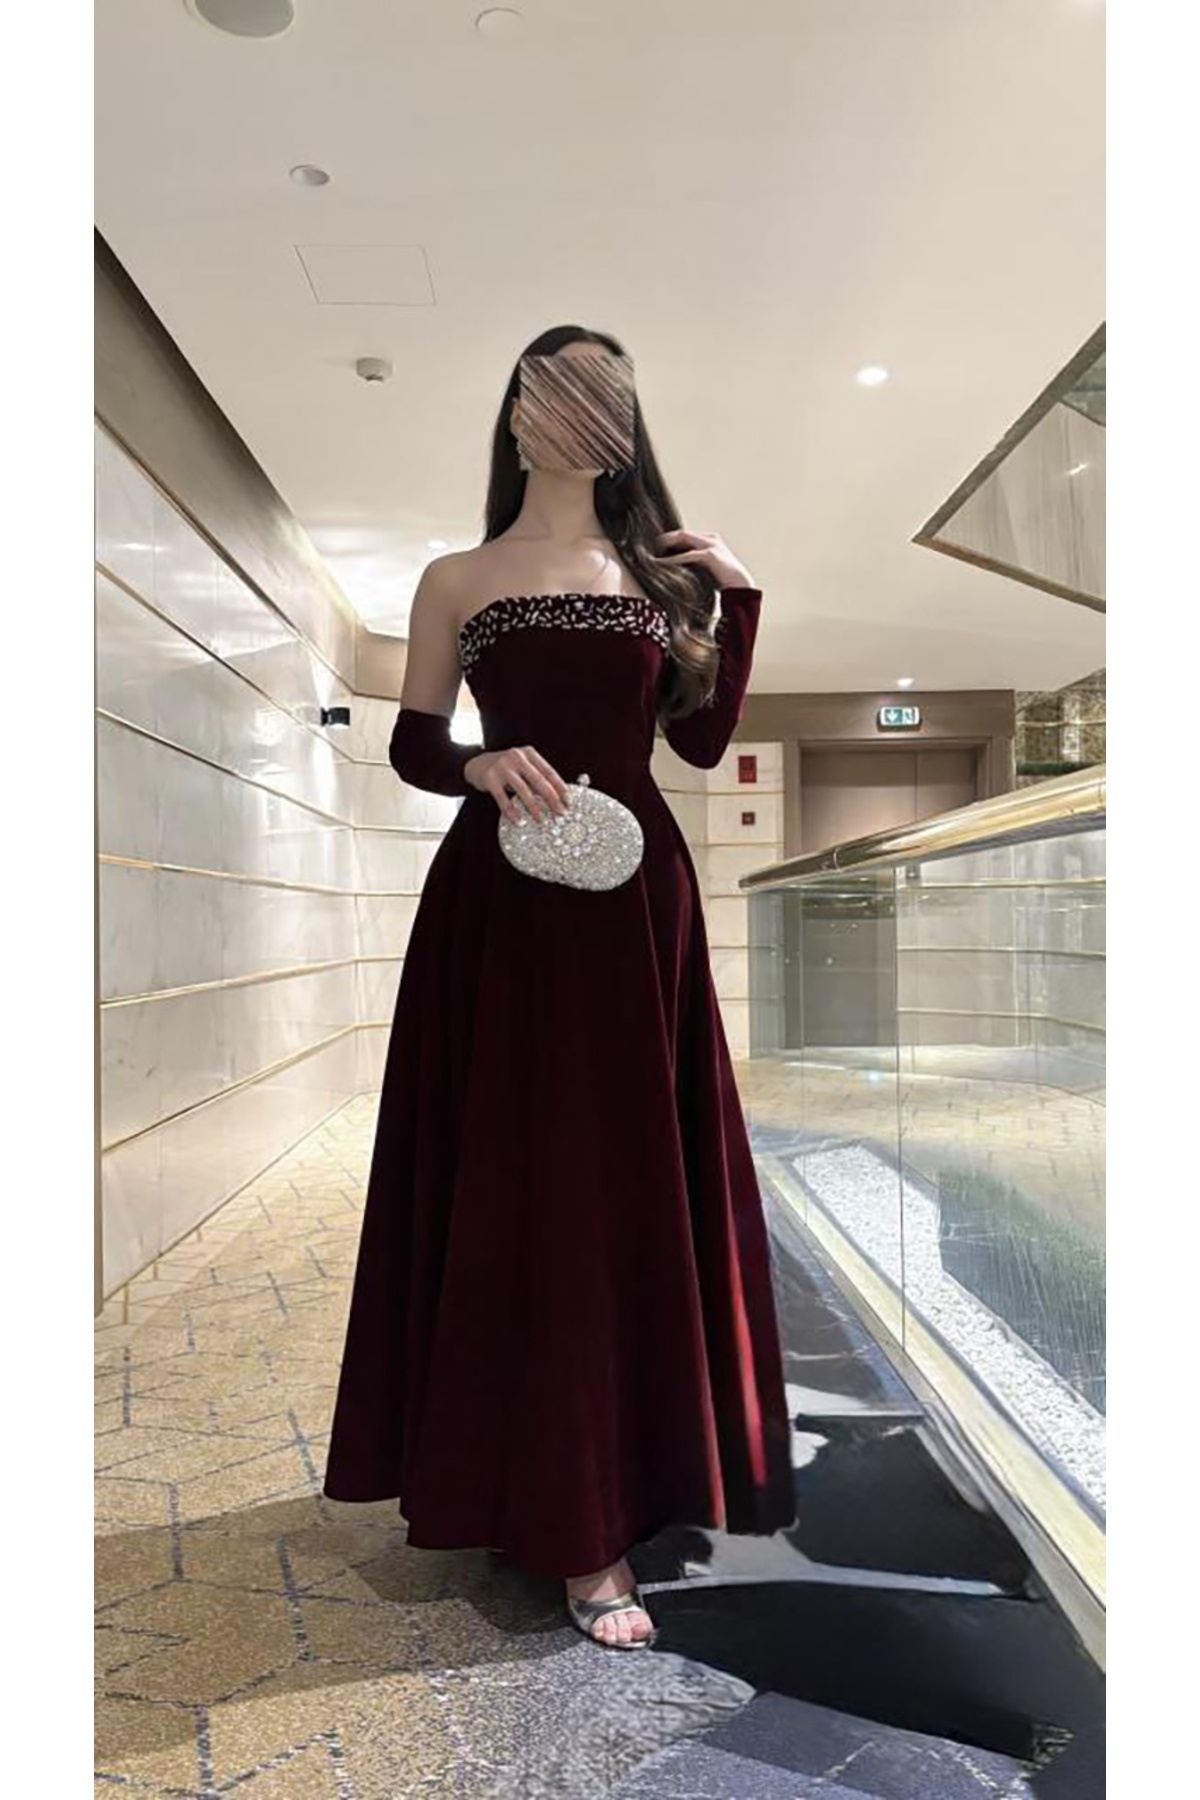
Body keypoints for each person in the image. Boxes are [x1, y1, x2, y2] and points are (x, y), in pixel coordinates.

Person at [322, 324, 796, 1650]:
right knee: (522, 1178)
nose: (581, 408)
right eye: (556, 384)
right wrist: (478, 764)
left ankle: (615, 1498)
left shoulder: (658, 578)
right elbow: (417, 742)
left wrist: (738, 601)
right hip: (503, 905)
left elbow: (698, 742)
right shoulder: (457, 577)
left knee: (622, 1178)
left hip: (638, 907)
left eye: (606, 390)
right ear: (518, 410)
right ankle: (549, 1506)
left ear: (627, 420)